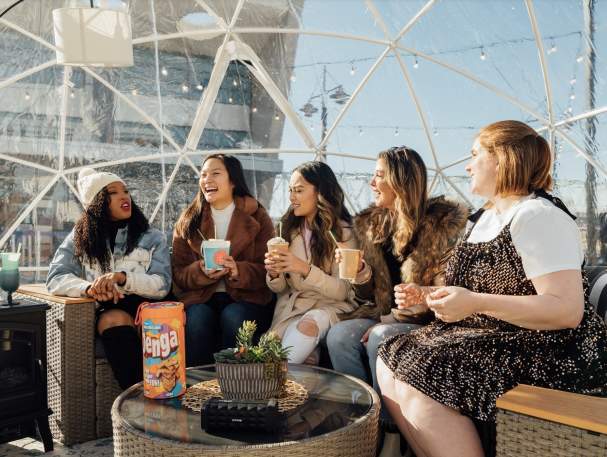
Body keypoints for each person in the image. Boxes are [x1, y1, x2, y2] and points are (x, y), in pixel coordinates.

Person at [376, 120, 607, 457]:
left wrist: (474, 303)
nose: (467, 165)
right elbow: (482, 287)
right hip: (494, 336)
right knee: (390, 353)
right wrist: (428, 294)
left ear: (502, 158)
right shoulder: (486, 217)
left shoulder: (538, 216)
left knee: (421, 366)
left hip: (546, 349)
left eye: (474, 155)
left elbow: (566, 310)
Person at [326, 146, 467, 391]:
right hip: (383, 317)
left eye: (379, 175)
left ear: (401, 181)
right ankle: (360, 412)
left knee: (380, 338)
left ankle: (389, 425)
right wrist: (360, 272)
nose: (371, 182)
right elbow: (367, 296)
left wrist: (387, 320)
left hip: (426, 320)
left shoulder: (442, 226)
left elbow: (444, 292)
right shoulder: (374, 227)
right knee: (339, 335)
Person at [47, 168, 172, 389]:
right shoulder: (80, 237)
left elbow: (162, 284)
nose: (124, 196)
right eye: (113, 192)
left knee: (153, 324)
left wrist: (123, 278)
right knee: (111, 320)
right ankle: (139, 396)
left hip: (149, 305)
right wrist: (89, 288)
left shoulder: (153, 237)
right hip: (111, 308)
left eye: (125, 190)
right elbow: (57, 276)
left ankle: (163, 391)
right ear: (97, 203)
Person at [172, 154, 274, 367]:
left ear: (233, 181)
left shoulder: (258, 217)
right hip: (200, 297)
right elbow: (179, 273)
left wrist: (238, 271)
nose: (207, 179)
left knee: (234, 316)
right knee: (197, 318)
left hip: (245, 298)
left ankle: (234, 386)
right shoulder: (189, 219)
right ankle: (197, 386)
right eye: (203, 175)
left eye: (216, 173)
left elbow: (268, 269)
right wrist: (199, 272)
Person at [265, 161, 358, 364]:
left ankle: (269, 381)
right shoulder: (287, 230)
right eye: (290, 191)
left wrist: (304, 269)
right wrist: (274, 273)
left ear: (320, 193)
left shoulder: (343, 233)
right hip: (293, 309)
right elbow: (281, 288)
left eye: (298, 190)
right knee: (303, 351)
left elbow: (342, 291)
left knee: (308, 325)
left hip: (330, 307)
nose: (292, 198)